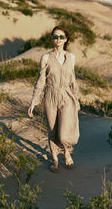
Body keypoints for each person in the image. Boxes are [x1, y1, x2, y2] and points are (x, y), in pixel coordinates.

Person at [28, 26, 80, 172]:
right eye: (55, 37)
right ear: (52, 39)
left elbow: (73, 80)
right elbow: (40, 82)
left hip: (67, 95)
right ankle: (55, 159)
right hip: (50, 95)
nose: (58, 40)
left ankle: (67, 152)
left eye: (61, 37)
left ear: (66, 39)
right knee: (52, 129)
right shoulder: (45, 57)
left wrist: (76, 99)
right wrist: (33, 102)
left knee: (64, 132)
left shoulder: (71, 57)